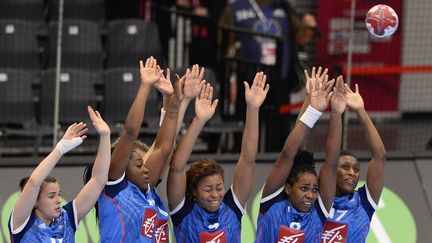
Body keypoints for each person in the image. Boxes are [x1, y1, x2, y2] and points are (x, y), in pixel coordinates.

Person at [96, 57, 205, 242]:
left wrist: (177, 101)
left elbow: (164, 147)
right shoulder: (114, 187)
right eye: (139, 164)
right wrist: (145, 87)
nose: (146, 168)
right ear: (122, 168)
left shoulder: (148, 192)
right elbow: (131, 133)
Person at [167, 71, 269, 242]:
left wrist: (253, 109)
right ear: (194, 191)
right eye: (208, 189)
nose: (215, 194)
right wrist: (199, 120)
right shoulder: (183, 212)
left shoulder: (232, 207)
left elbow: (248, 160)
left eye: (219, 187)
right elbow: (177, 166)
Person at [255, 73, 348, 242]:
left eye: (314, 189)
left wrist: (336, 113)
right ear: (288, 188)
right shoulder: (272, 203)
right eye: (304, 188)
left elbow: (332, 164)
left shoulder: (318, 211)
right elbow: (288, 154)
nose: (311, 195)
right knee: (296, 151)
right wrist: (311, 108)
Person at [9, 106, 111, 243]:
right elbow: (34, 182)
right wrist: (61, 148)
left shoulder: (67, 217)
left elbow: (99, 180)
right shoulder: (21, 223)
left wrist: (105, 136)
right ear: (34, 202)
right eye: (51, 196)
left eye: (58, 194)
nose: (58, 200)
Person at [321, 83, 386, 242]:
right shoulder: (316, 199)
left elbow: (380, 155)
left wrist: (360, 111)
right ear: (333, 170)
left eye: (356, 169)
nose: (352, 172)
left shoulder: (364, 202)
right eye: (345, 167)